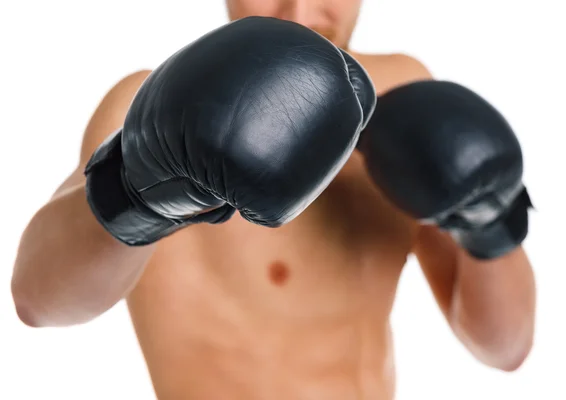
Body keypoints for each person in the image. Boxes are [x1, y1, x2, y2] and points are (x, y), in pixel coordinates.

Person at [11, 1, 537, 399]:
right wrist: (140, 184)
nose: (300, 10)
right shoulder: (154, 106)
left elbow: (506, 347)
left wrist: (487, 221)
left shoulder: (402, 91)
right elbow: (36, 299)